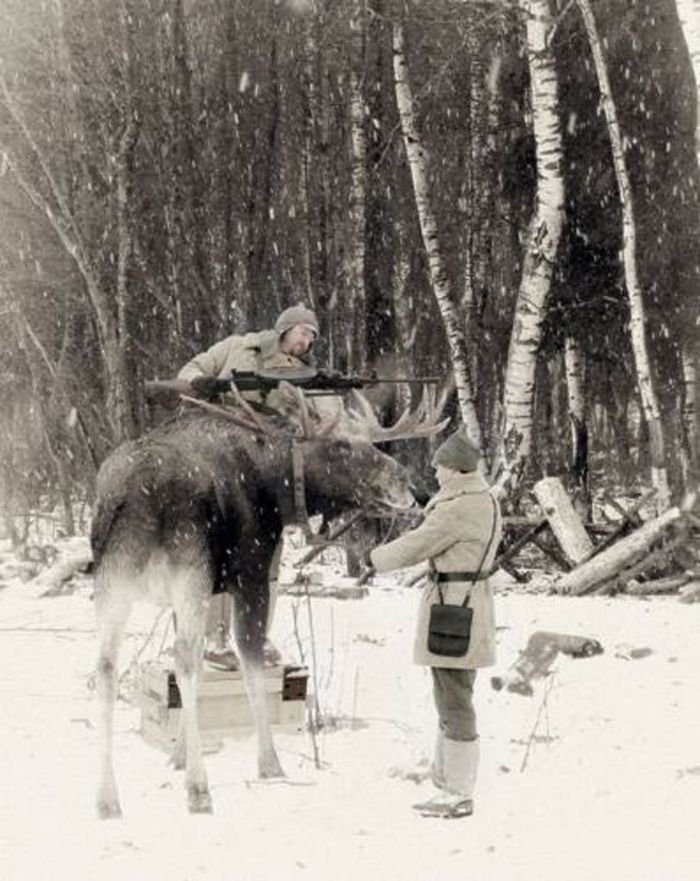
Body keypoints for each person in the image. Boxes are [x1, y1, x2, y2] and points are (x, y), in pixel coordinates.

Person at [367, 427, 502, 819]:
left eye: (440, 466)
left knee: (453, 699)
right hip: (469, 604)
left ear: (457, 470)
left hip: (453, 607)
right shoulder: (483, 499)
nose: (436, 471)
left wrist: (374, 558)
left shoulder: (458, 507)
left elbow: (418, 545)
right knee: (453, 691)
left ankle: (457, 791)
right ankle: (446, 780)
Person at [177, 304, 320, 671]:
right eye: (302, 332)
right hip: (216, 460)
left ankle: (256, 636)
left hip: (265, 473)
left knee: (266, 560)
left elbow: (312, 424)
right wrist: (201, 383)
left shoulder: (306, 374)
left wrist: (298, 407)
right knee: (219, 556)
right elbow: (192, 369)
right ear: (284, 329)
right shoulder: (238, 346)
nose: (306, 341)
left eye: (311, 336)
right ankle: (213, 639)